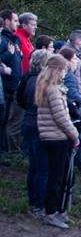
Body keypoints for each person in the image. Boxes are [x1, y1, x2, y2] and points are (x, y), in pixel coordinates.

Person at [35, 54, 79, 229]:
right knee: (57, 178)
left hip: (50, 137)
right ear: (57, 70)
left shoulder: (45, 87)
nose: (65, 74)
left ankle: (55, 211)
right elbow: (61, 117)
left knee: (56, 176)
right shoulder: (53, 90)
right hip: (57, 137)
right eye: (64, 70)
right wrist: (74, 135)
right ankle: (52, 212)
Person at [16, 50, 52, 218]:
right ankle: (39, 205)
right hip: (40, 125)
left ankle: (33, 202)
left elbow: (20, 99)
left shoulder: (27, 77)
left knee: (34, 166)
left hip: (28, 122)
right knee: (43, 168)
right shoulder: (43, 81)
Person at [6, 12, 36, 151]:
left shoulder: (27, 40)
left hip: (24, 83)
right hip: (18, 83)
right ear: (23, 25)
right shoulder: (18, 38)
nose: (35, 27)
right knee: (15, 119)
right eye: (32, 24)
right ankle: (11, 151)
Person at [0, 9, 22, 155]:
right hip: (6, 86)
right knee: (4, 119)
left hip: (13, 85)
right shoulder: (4, 40)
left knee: (7, 118)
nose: (17, 23)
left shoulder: (11, 40)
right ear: (7, 21)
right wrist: (10, 53)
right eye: (15, 20)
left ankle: (4, 150)